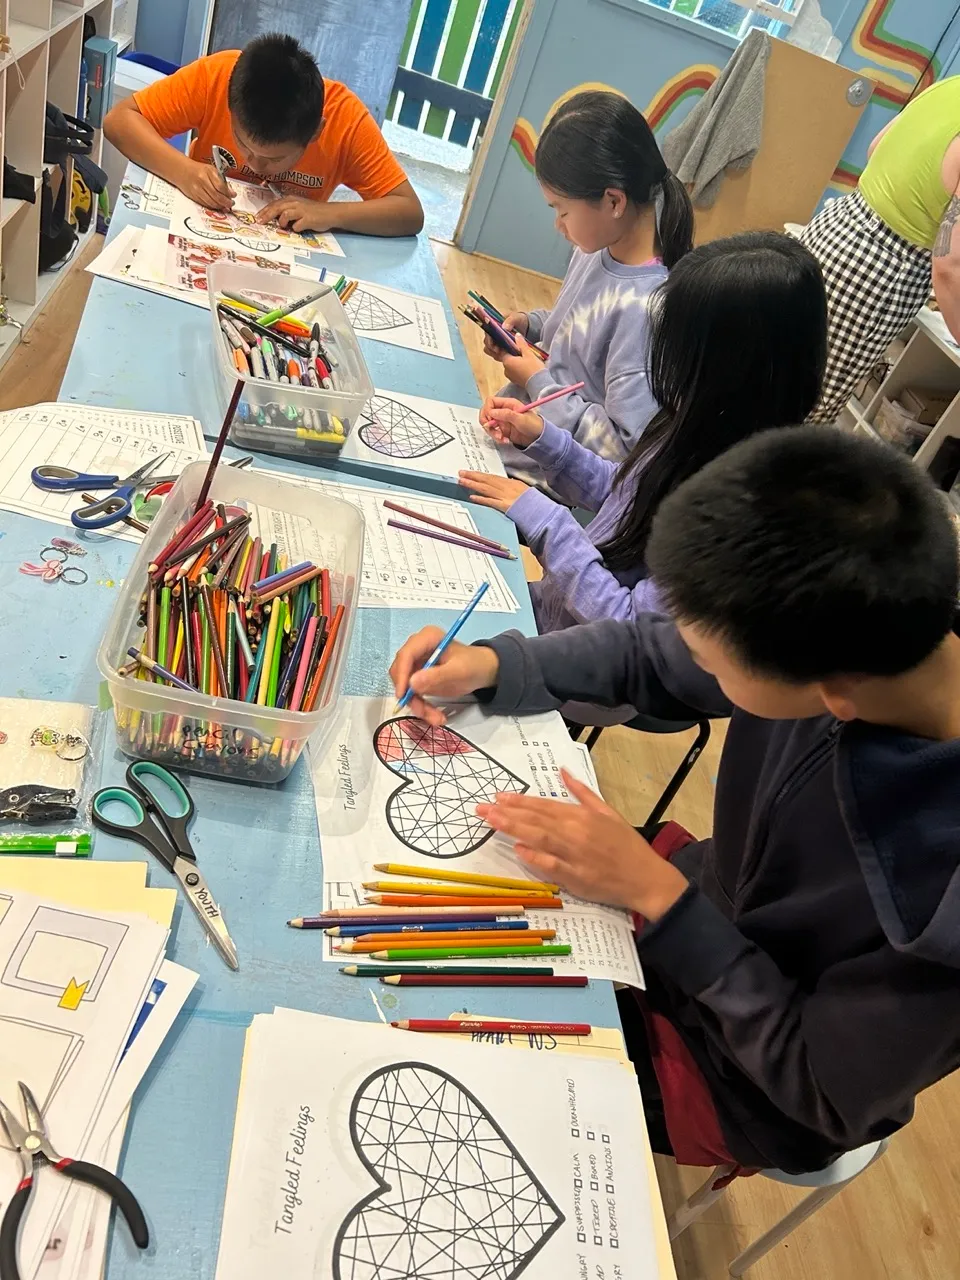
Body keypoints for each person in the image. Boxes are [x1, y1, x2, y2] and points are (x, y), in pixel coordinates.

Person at [390, 426, 960, 1174]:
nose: (688, 659)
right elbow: (652, 652)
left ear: (832, 694)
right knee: (442, 919)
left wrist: (661, 900)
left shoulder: (941, 899)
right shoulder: (862, 629)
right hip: (690, 907)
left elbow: (819, 1085)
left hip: (741, 1080)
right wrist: (497, 663)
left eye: (710, 663)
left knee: (438, 1040)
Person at [461, 232, 826, 636]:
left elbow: (630, 623)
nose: (663, 363)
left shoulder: (739, 515)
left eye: (676, 349)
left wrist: (549, 522)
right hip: (550, 615)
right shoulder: (700, 422)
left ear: (729, 368)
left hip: (576, 656)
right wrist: (547, 442)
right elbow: (629, 493)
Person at [482, 90, 694, 482]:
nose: (558, 225)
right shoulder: (596, 247)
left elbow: (620, 453)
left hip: (547, 485)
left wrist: (536, 381)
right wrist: (531, 325)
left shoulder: (646, 311)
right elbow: (579, 332)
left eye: (562, 210)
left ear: (613, 201)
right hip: (516, 441)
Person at [103, 32, 423, 237]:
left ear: (315, 132)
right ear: (229, 106)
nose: (253, 164)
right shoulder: (218, 77)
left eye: (275, 159)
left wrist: (329, 213)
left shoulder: (346, 120)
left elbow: (409, 212)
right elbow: (119, 121)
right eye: (242, 144)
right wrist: (183, 171)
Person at [801, 75, 960, 422]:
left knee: (768, 375)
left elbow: (876, 148)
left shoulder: (950, 87)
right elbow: (949, 265)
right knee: (807, 405)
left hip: (837, 225)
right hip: (881, 270)